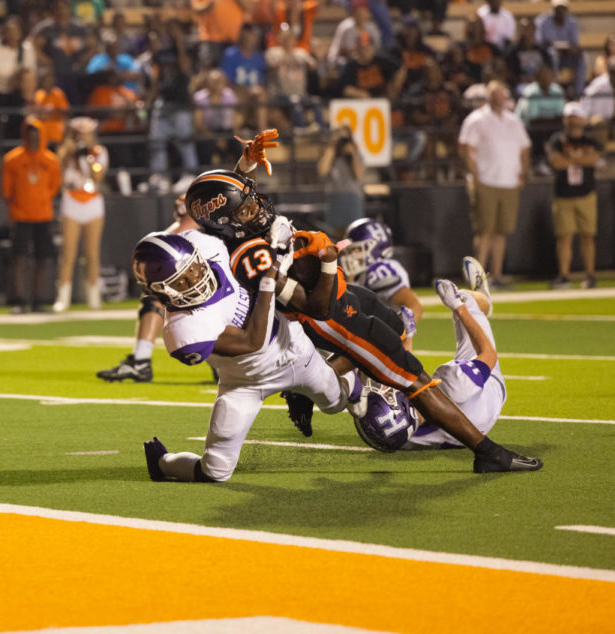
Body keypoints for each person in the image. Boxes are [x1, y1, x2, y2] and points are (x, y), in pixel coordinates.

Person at [182, 130, 542, 473]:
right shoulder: (254, 256)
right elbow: (317, 308)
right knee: (414, 380)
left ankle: (306, 392)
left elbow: (229, 202)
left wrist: (244, 166)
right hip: (335, 318)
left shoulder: (239, 226)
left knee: (398, 327)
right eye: (245, 209)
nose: (256, 207)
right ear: (227, 223)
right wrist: (327, 259)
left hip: (347, 296)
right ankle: (486, 451)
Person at [139, 229, 353, 483]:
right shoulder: (182, 331)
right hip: (245, 382)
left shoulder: (207, 245)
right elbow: (253, 341)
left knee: (337, 402)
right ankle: (163, 463)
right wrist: (268, 279)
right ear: (161, 291)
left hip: (293, 346)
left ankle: (362, 378)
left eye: (193, 268)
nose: (195, 278)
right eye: (181, 281)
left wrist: (276, 239)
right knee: (215, 470)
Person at [404, 258, 503, 448]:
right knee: (467, 298)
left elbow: (403, 376)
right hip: (488, 397)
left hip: (456, 433)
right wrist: (458, 307)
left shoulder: (397, 435)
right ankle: (482, 299)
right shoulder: (453, 384)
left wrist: (408, 337)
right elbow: (488, 354)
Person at [97, 195, 197, 383]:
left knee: (156, 295)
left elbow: (158, 246)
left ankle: (141, 360)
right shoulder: (223, 224)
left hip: (224, 297)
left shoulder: (191, 224)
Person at [458, 80, 531, 289]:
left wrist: (523, 173)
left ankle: (497, 275)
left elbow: (524, 147)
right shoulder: (477, 119)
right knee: (484, 230)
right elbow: (465, 147)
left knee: (502, 230)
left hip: (508, 181)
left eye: (501, 95)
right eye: (494, 95)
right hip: (487, 181)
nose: (499, 99)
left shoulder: (513, 119)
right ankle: (478, 278)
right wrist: (476, 176)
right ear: (488, 97)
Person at [2, 116, 61, 314]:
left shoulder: (50, 160)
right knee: (19, 258)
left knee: (43, 258)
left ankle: (38, 300)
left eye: (37, 134)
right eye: (30, 134)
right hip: (20, 215)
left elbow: (53, 187)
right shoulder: (13, 159)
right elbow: (6, 190)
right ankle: (19, 300)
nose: (34, 138)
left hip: (43, 214)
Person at [338, 217, 423, 349]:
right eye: (351, 249)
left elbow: (413, 305)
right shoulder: (358, 275)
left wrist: (401, 333)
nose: (351, 254)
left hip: (378, 345)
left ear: (375, 248)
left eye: (358, 249)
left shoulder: (380, 270)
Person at [53, 117, 108, 313]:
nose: (83, 138)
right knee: (68, 252)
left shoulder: (99, 152)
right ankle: (63, 297)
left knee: (92, 253)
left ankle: (94, 296)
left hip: (92, 201)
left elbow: (98, 176)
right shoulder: (66, 152)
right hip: (72, 199)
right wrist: (68, 153)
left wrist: (90, 156)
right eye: (80, 134)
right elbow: (58, 177)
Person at [545, 102, 602, 290]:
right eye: (569, 117)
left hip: (586, 193)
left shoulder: (590, 139)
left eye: (575, 116)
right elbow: (556, 162)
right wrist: (580, 159)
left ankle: (590, 275)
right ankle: (564, 276)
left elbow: (594, 159)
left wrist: (569, 159)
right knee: (564, 237)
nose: (572, 121)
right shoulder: (557, 139)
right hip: (564, 194)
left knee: (588, 236)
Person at [146, 18, 199, 194]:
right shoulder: (161, 53)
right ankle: (159, 176)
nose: (172, 34)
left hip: (181, 101)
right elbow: (157, 78)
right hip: (164, 100)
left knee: (184, 140)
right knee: (157, 140)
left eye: (175, 30)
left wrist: (180, 45)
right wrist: (149, 101)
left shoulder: (189, 50)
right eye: (170, 30)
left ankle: (190, 174)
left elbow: (185, 69)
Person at [317, 125, 366, 238]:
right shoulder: (330, 154)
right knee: (336, 237)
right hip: (335, 199)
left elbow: (359, 176)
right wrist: (332, 146)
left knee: (354, 235)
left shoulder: (356, 154)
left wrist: (352, 153)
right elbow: (322, 171)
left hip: (353, 199)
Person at [535, 0, 585, 98]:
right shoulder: (543, 21)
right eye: (557, 9)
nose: (560, 11)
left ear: (566, 9)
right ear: (553, 9)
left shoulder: (572, 22)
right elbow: (540, 43)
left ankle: (578, 92)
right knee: (553, 54)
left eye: (562, 9)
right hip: (548, 58)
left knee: (582, 57)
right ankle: (555, 89)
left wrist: (570, 49)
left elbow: (574, 43)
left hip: (567, 57)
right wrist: (554, 46)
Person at [193, 69, 242, 167]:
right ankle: (205, 175)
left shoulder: (229, 95)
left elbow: (235, 119)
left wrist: (226, 137)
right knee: (205, 145)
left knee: (238, 146)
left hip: (226, 130)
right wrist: (215, 138)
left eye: (219, 81)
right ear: (207, 83)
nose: (216, 84)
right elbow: (198, 123)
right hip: (207, 131)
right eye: (213, 81)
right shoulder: (199, 97)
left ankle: (244, 176)